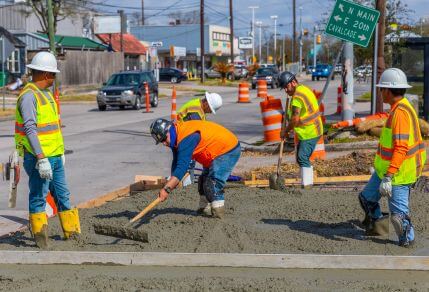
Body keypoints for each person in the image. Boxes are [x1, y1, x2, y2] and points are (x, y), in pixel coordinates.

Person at [14, 51, 80, 249]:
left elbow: (52, 128)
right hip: (38, 158)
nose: (54, 78)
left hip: (55, 156)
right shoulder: (28, 96)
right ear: (45, 74)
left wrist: (59, 152)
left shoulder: (47, 95)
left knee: (62, 194)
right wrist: (41, 158)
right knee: (38, 196)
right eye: (53, 74)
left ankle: (72, 233)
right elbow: (30, 129)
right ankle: (41, 240)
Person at [358, 68, 426, 247]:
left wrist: (389, 176)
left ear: (388, 91)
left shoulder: (401, 113)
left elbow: (401, 148)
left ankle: (407, 242)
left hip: (399, 174)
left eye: (381, 89)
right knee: (367, 199)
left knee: (398, 217)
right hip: (385, 171)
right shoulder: (396, 109)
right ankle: (379, 227)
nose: (380, 92)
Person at [150, 118, 241, 219]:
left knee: (213, 184)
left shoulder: (186, 139)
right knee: (203, 181)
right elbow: (176, 161)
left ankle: (218, 214)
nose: (164, 143)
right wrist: (172, 182)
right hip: (213, 151)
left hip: (227, 149)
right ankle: (204, 209)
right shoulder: (176, 135)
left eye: (163, 139)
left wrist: (166, 189)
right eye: (161, 141)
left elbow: (182, 168)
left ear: (168, 130)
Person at [278, 71, 323, 188]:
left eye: (286, 87)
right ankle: (306, 183)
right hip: (307, 131)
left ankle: (307, 186)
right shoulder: (302, 89)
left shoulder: (297, 96)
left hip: (311, 131)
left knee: (302, 157)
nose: (285, 90)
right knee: (301, 158)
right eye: (283, 88)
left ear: (293, 82)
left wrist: (285, 131)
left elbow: (295, 119)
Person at [177, 92, 223, 183]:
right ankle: (183, 186)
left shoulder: (199, 108)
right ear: (206, 103)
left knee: (187, 166)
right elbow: (196, 131)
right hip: (182, 139)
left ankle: (184, 184)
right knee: (186, 166)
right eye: (210, 109)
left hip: (184, 138)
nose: (210, 112)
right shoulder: (195, 110)